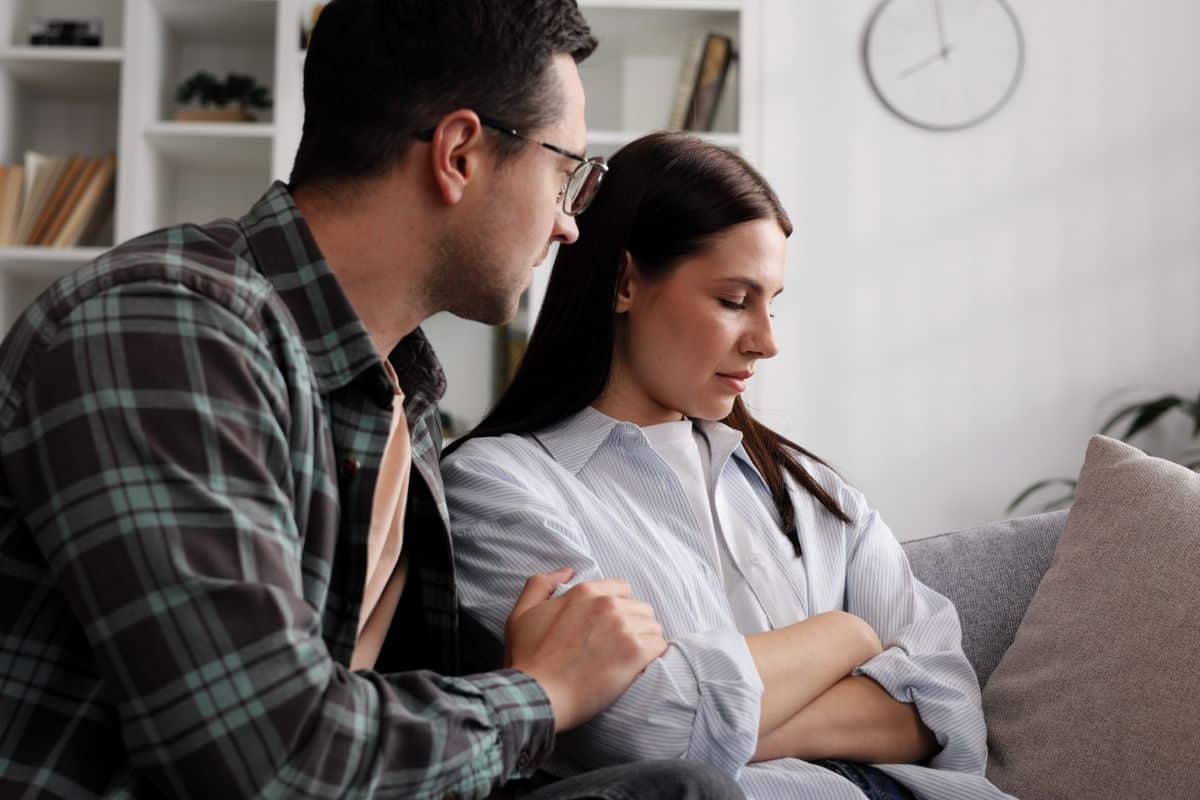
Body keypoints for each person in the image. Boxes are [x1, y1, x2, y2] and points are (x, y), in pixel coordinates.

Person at [0, 3, 744, 798]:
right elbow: (266, 762)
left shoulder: (395, 391)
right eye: (566, 174)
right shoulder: (163, 325)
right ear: (459, 153)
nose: (568, 225)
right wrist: (543, 692)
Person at [442, 132, 1013, 800]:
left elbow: (948, 710)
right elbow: (640, 737)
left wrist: (733, 728)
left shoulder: (812, 492)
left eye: (773, 302)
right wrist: (844, 636)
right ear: (625, 282)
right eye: (734, 300)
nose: (767, 341)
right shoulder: (500, 485)